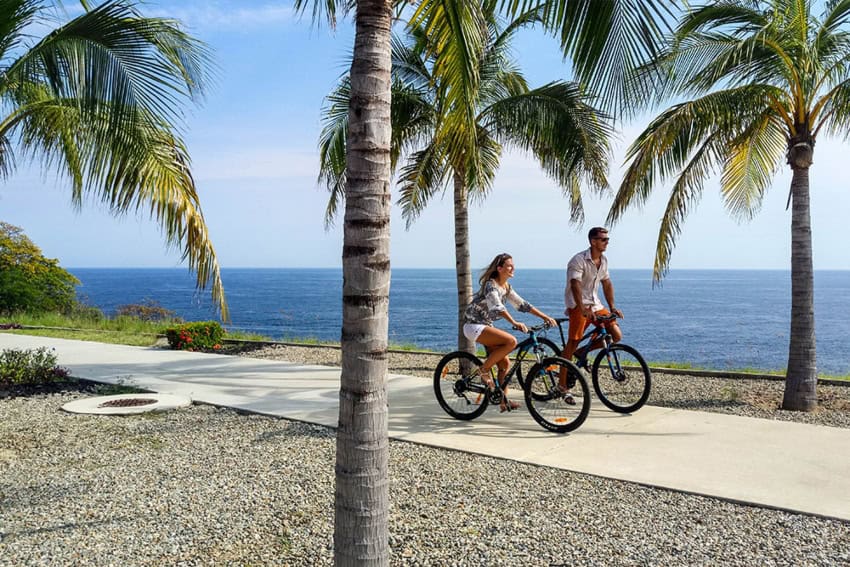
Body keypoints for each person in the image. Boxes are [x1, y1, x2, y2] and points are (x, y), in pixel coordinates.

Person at [463, 253, 556, 412]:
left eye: (513, 265)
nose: (513, 268)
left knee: (505, 364)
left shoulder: (506, 287)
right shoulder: (490, 285)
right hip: (473, 325)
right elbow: (498, 307)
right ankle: (483, 370)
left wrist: (545, 316)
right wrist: (514, 323)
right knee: (511, 341)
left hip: (486, 326)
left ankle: (503, 402)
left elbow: (522, 305)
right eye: (509, 266)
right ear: (499, 268)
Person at [560, 227, 624, 398]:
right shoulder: (578, 260)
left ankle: (582, 352)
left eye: (607, 239)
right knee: (572, 343)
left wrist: (612, 307)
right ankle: (561, 385)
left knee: (615, 335)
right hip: (578, 305)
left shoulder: (603, 261)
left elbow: (607, 283)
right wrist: (581, 308)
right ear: (593, 241)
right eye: (603, 239)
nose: (607, 242)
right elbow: (575, 284)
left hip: (595, 305)